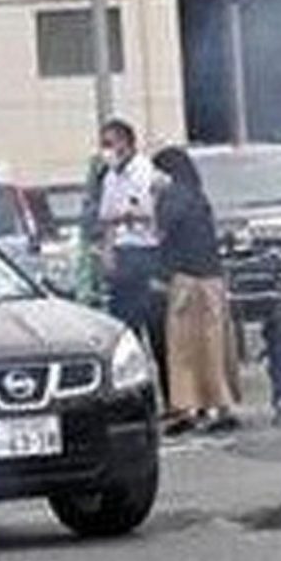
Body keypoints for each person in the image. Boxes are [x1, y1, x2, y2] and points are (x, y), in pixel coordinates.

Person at [149, 146, 242, 437]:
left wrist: (159, 276)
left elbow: (164, 236)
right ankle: (220, 406)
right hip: (212, 279)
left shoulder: (171, 197)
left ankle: (188, 409)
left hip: (186, 282)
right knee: (213, 347)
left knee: (185, 351)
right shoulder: (198, 194)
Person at [83, 118, 167, 379]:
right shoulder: (110, 177)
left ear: (128, 144)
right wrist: (108, 253)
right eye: (103, 144)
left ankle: (174, 401)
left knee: (158, 333)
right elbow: (106, 218)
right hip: (123, 255)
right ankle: (137, 397)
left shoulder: (146, 172)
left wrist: (127, 216)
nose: (106, 150)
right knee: (125, 333)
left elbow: (151, 214)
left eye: (111, 143)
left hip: (148, 254)